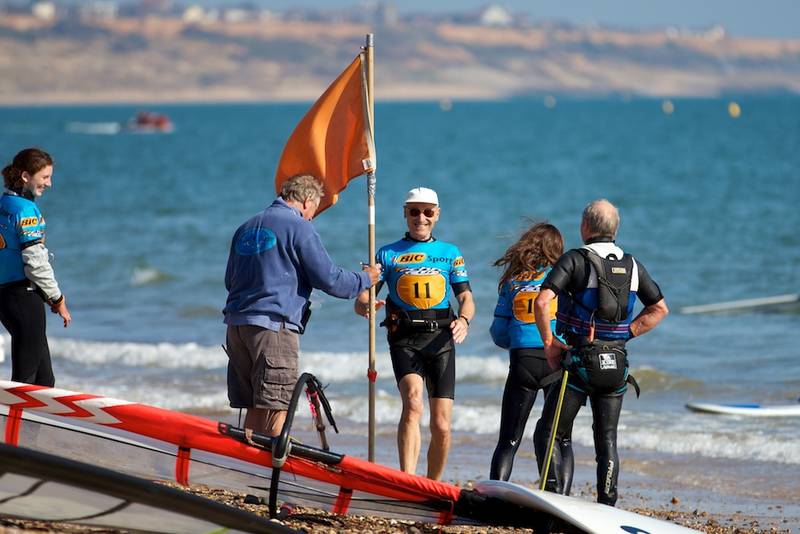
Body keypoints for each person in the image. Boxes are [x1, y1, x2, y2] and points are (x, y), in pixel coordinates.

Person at [223, 174, 381, 437]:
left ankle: (246, 470)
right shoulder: (299, 227)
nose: (311, 218)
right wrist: (365, 279)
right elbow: (329, 279)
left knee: (253, 406)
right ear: (307, 200)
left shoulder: (247, 227)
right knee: (277, 405)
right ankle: (272, 473)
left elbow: (230, 280)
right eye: (314, 211)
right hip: (273, 327)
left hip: (237, 326)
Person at [534, 199, 668, 506]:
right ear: (615, 229)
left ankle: (553, 499)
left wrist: (550, 343)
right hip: (616, 365)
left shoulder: (576, 259)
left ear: (585, 227)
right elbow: (659, 309)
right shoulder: (633, 265)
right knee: (606, 439)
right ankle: (607, 504)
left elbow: (542, 302)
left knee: (549, 433)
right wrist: (624, 334)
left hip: (580, 363)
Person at [354, 187, 474, 480]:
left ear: (437, 215)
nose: (421, 218)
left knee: (442, 425)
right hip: (404, 338)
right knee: (413, 403)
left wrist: (465, 321)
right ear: (405, 214)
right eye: (414, 211)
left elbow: (467, 299)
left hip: (441, 339)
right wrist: (367, 304)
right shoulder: (387, 253)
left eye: (427, 211)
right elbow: (362, 299)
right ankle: (408, 479)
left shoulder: (450, 254)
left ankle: (432, 485)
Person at [488, 222, 574, 486]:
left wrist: (519, 341)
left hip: (522, 363)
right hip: (557, 363)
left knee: (509, 440)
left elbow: (498, 332)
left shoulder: (513, 281)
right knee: (560, 438)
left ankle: (495, 499)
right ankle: (559, 497)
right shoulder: (565, 282)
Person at [0, 148, 72, 387]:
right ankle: (11, 424)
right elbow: (35, 263)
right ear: (25, 176)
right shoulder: (26, 210)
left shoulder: (5, 205)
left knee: (44, 380)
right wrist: (57, 298)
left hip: (6, 298)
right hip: (23, 298)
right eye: (44, 177)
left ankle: (31, 426)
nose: (49, 184)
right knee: (26, 381)